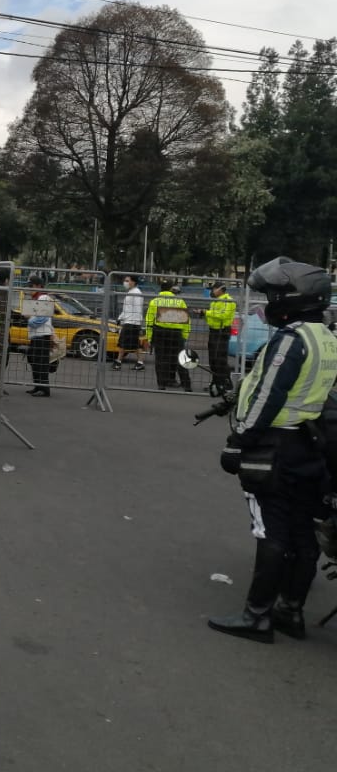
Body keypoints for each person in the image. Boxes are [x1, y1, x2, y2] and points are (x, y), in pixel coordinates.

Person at [208, 257, 337, 643]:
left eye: (274, 295)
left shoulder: (292, 339)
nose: (270, 302)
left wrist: (238, 442)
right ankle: (289, 610)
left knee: (271, 531)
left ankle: (257, 616)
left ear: (292, 298)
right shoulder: (326, 337)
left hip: (276, 446)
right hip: (308, 445)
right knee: (302, 533)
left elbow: (269, 395)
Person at [145, 278, 191, 391]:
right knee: (180, 357)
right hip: (176, 333)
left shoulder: (154, 301)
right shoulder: (179, 301)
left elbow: (149, 321)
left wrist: (149, 337)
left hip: (160, 332)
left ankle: (161, 384)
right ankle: (186, 384)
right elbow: (186, 321)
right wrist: (185, 335)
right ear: (171, 288)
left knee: (160, 358)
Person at [201, 281, 237, 394]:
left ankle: (226, 383)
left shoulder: (228, 300)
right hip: (213, 331)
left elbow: (223, 315)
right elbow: (212, 317)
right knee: (213, 360)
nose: (211, 291)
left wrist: (207, 313)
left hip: (222, 332)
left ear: (220, 289)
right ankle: (216, 383)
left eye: (213, 289)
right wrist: (203, 314)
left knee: (220, 359)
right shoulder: (215, 302)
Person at [26, 276, 54, 397]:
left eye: (31, 286)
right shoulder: (36, 298)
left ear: (38, 286)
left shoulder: (43, 297)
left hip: (42, 335)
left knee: (41, 363)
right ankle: (37, 386)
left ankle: (44, 389)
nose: (29, 288)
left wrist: (29, 319)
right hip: (37, 336)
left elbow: (41, 318)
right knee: (35, 361)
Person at [113, 275, 146, 371]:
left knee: (123, 342)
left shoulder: (136, 293)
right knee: (134, 343)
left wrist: (135, 322)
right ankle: (140, 363)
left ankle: (118, 362)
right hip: (129, 321)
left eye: (127, 281)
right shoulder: (130, 292)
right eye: (125, 280)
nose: (125, 282)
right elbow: (127, 309)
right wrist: (120, 318)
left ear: (133, 282)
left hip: (132, 322)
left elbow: (137, 308)